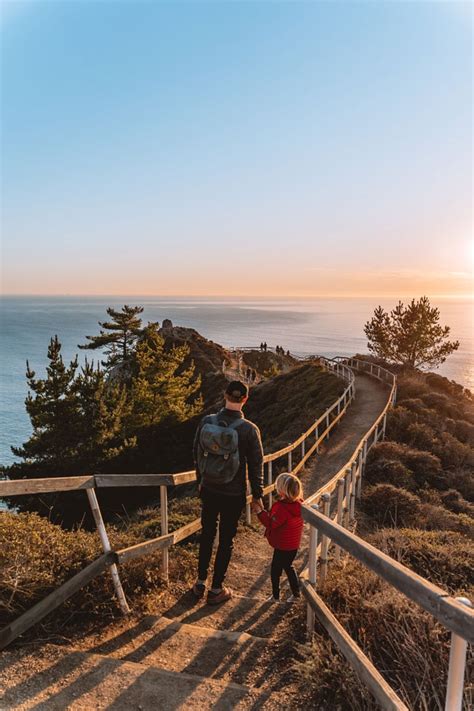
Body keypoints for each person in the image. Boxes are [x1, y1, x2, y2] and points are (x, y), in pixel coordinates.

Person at [192, 380, 264, 605]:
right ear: (245, 399)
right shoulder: (249, 430)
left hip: (209, 488)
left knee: (207, 534)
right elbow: (256, 465)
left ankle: (200, 582)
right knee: (226, 540)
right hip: (233, 493)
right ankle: (216, 590)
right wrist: (257, 495)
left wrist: (200, 481)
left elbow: (196, 453)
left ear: (225, 395)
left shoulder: (207, 421)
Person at [252, 473, 303, 603]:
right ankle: (296, 594)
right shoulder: (299, 505)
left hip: (282, 545)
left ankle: (276, 596)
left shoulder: (281, 508)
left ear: (282, 491)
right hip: (293, 545)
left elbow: (270, 523)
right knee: (288, 566)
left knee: (276, 570)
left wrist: (259, 512)